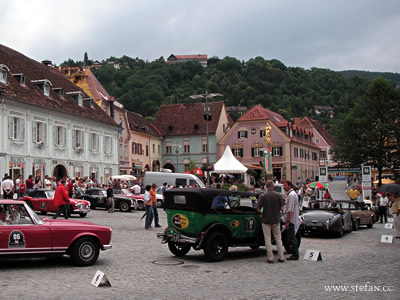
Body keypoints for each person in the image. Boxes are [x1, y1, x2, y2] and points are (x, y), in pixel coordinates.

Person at [257, 180, 285, 263]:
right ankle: (281, 256)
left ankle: (270, 257)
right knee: (278, 238)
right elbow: (282, 208)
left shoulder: (263, 196)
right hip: (276, 219)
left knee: (268, 239)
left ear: (266, 187)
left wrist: (263, 211)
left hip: (266, 219)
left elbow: (258, 209)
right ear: (273, 186)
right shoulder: (278, 195)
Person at [282, 180, 300, 260]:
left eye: (285, 185)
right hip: (290, 219)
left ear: (289, 186)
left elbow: (290, 209)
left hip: (291, 220)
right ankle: (294, 253)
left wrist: (288, 221)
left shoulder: (291, 195)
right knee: (291, 237)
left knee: (292, 237)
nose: (284, 187)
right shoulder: (290, 194)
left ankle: (295, 254)